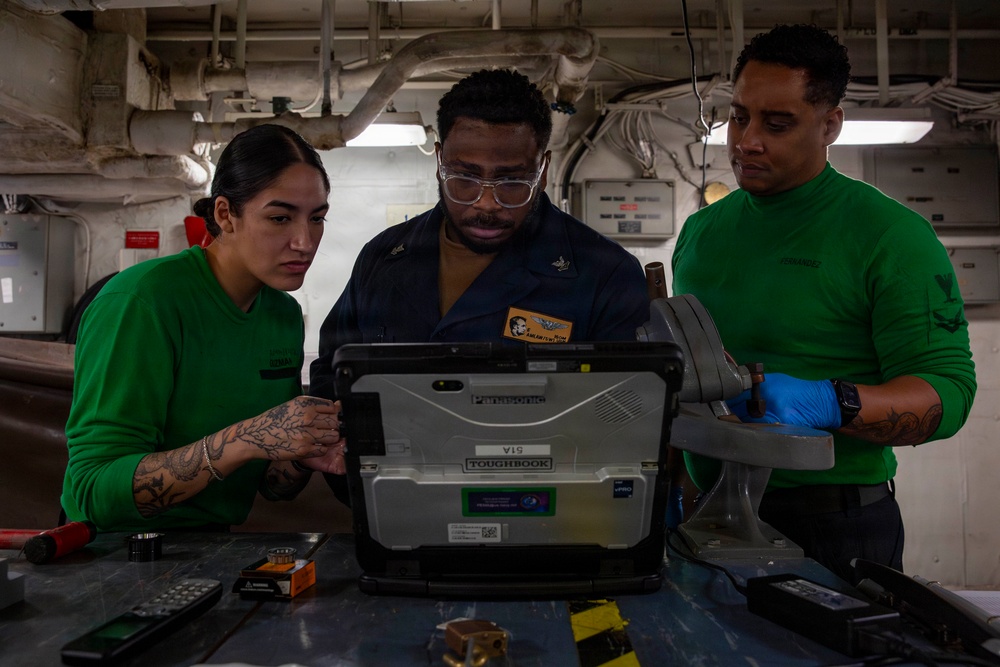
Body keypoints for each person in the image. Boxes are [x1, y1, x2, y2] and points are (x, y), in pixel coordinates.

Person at [671, 24, 977, 581]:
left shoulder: (890, 237)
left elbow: (948, 395)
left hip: (835, 526)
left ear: (830, 124)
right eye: (739, 116)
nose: (747, 141)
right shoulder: (701, 232)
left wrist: (831, 402)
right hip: (706, 513)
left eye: (778, 123)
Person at [310, 68, 650, 504]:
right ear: (438, 160)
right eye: (464, 178)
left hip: (548, 517)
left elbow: (630, 417)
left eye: (512, 182)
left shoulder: (603, 274)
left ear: (543, 169)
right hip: (402, 510)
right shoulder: (384, 258)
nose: (486, 203)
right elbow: (332, 375)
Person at [61, 124, 346, 533]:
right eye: (280, 218)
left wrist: (301, 455)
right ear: (225, 214)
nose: (304, 241)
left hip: (211, 550)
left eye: (316, 218)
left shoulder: (281, 314)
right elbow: (94, 492)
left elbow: (272, 488)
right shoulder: (142, 302)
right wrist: (245, 438)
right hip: (111, 555)